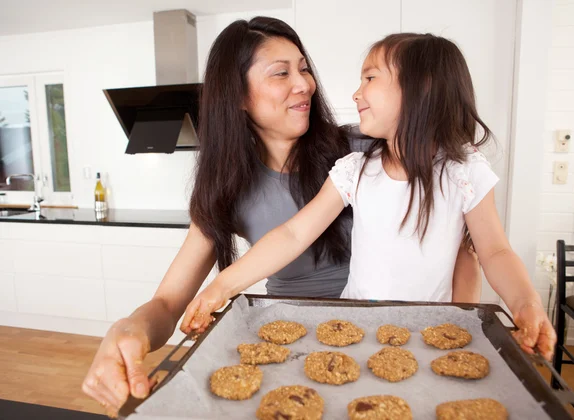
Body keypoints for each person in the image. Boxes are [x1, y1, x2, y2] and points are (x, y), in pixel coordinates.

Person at [82, 21, 481, 415]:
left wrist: (455, 333)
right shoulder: (225, 190)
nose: (305, 84)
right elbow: (169, 303)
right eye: (281, 73)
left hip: (390, 337)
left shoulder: (367, 150)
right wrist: (130, 328)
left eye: (304, 68)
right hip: (289, 351)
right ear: (237, 95)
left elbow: (462, 243)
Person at [182, 33, 556, 362]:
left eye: (370, 78)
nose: (355, 93)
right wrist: (221, 286)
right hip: (355, 330)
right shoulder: (354, 169)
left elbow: (494, 252)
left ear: (419, 88)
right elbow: (293, 235)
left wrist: (525, 304)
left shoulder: (464, 170)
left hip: (428, 331)